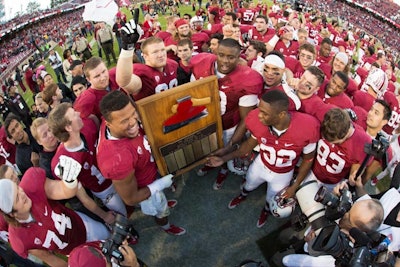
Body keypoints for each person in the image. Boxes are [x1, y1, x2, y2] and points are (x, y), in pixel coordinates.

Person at [207, 90, 320, 228]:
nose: (259, 116)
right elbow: (247, 146)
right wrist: (223, 158)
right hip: (261, 164)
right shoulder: (259, 121)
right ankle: (243, 196)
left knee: (271, 199)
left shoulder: (306, 127)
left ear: (282, 114)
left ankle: (265, 211)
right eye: (260, 110)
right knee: (249, 183)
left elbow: (308, 160)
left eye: (264, 113)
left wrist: (294, 186)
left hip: (283, 173)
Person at [97, 90, 186, 236]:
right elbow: (131, 198)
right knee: (161, 210)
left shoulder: (113, 114)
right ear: (109, 124)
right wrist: (159, 185)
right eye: (125, 121)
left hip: (149, 169)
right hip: (146, 187)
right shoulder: (116, 159)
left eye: (133, 114)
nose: (133, 122)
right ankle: (165, 225)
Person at [0, 157, 110, 267]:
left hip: (85, 227)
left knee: (113, 242)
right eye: (17, 198)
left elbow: (64, 190)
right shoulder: (19, 239)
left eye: (18, 189)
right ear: (11, 214)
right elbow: (50, 259)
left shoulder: (31, 185)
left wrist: (69, 181)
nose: (22, 194)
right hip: (74, 251)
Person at [191, 38, 263, 190]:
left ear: (239, 57)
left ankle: (223, 170)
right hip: (205, 121)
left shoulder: (247, 78)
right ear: (215, 52)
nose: (225, 61)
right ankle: (210, 165)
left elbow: (246, 119)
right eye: (221, 55)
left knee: (224, 150)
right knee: (208, 149)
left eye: (231, 57)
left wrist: (231, 145)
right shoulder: (201, 64)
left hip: (229, 125)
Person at [48, 103, 127, 217]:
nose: (78, 113)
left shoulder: (87, 126)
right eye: (74, 114)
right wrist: (104, 216)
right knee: (122, 216)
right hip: (105, 190)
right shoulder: (63, 163)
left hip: (119, 174)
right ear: (68, 127)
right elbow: (83, 198)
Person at [116, 33, 178, 101]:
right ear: (146, 57)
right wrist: (127, 48)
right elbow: (124, 82)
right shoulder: (144, 74)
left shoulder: (172, 65)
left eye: (163, 50)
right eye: (155, 52)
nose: (161, 55)